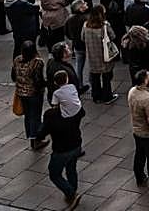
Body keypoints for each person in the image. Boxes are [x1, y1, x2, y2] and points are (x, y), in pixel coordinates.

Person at [37, 73, 85, 209]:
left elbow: (42, 132)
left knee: (54, 173)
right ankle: (73, 189)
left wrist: (38, 136)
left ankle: (71, 193)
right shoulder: (74, 112)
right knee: (71, 168)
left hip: (61, 150)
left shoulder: (50, 116)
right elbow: (81, 110)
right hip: (76, 145)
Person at [12, 41, 48, 150]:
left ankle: (31, 136)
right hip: (34, 94)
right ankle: (36, 139)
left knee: (28, 116)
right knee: (35, 116)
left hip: (21, 93)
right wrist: (45, 85)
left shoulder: (17, 59)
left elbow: (13, 76)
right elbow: (38, 80)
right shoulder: (37, 63)